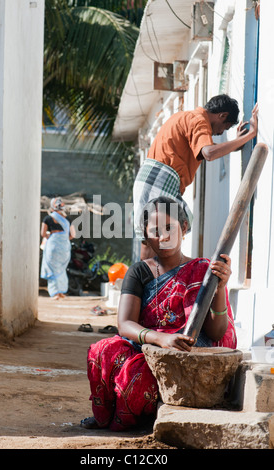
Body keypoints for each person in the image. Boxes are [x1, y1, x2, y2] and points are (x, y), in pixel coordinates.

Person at [81, 197, 237, 431]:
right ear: (145, 234)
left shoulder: (204, 271)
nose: (163, 236)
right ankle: (116, 415)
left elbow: (217, 332)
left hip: (190, 351)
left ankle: (145, 414)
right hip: (148, 349)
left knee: (139, 380)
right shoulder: (139, 272)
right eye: (155, 230)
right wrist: (161, 339)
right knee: (103, 351)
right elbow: (124, 325)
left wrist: (220, 287)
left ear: (183, 228)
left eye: (169, 228)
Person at [133, 94, 258, 259]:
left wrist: (237, 142)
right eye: (224, 127)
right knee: (155, 235)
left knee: (166, 231)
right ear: (222, 115)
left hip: (156, 179)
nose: (220, 133)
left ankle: (154, 281)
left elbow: (212, 148)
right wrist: (251, 135)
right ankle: (147, 282)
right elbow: (209, 153)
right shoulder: (199, 120)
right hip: (158, 179)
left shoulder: (188, 117)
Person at [40, 197, 75, 300]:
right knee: (61, 269)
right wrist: (63, 239)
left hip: (53, 246)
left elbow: (43, 233)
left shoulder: (48, 218)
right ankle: (61, 292)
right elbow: (73, 235)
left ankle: (55, 293)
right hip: (64, 247)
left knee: (52, 269)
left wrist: (51, 237)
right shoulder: (68, 219)